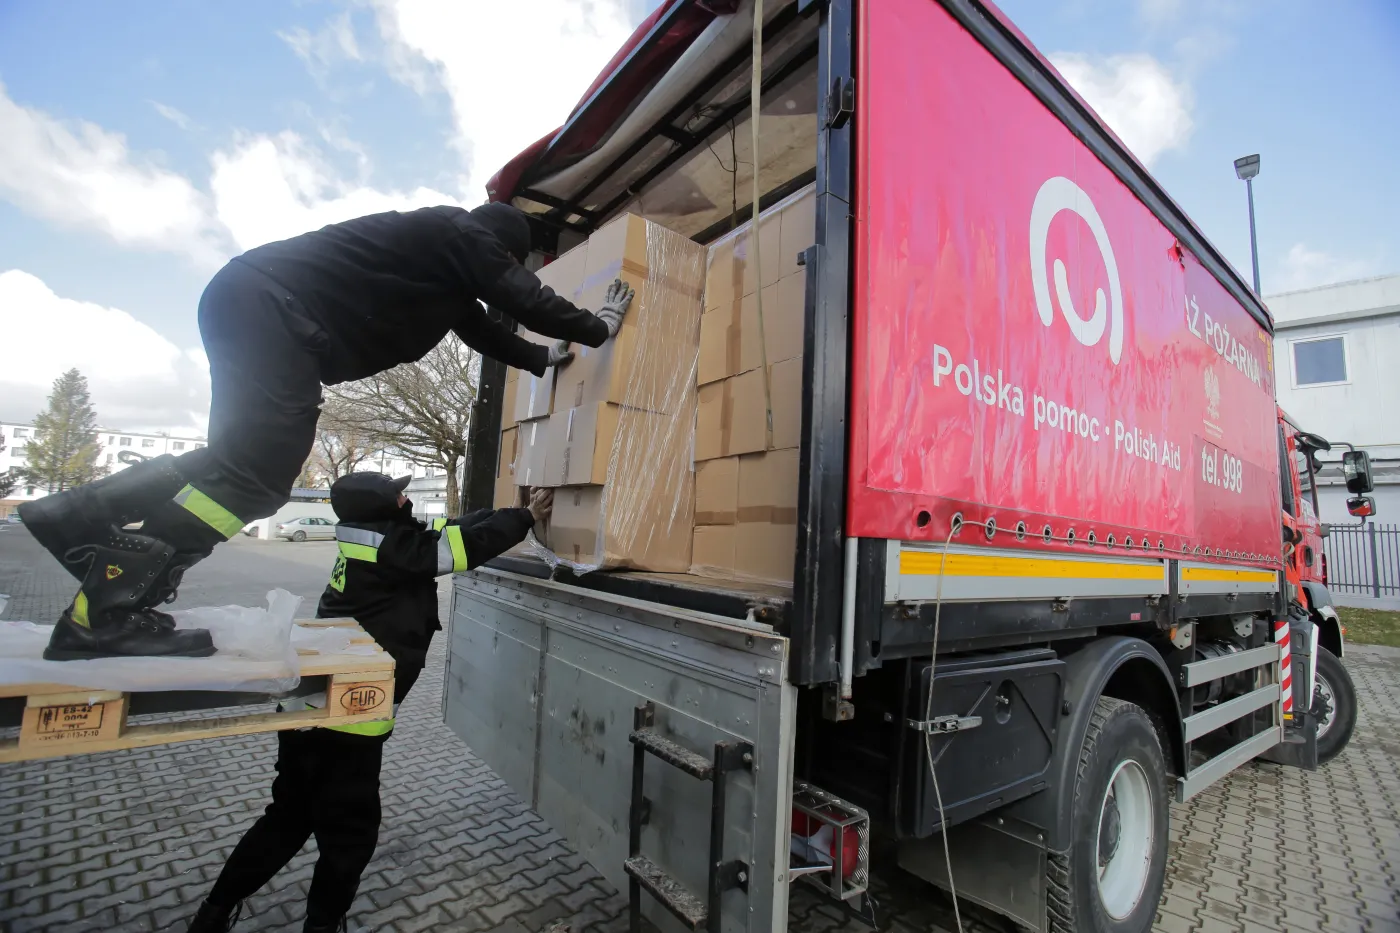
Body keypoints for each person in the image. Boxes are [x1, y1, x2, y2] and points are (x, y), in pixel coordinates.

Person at [17, 202, 630, 660]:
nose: (500, 266)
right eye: (504, 258)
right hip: (270, 310)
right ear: (498, 242)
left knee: (238, 465)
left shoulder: (443, 278)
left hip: (254, 305)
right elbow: (517, 293)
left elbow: (490, 333)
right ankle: (103, 591)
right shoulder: (458, 231)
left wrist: (545, 358)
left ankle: (90, 545)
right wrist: (595, 327)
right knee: (257, 475)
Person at [185, 471, 553, 933]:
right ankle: (321, 926)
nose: (405, 498)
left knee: (288, 818)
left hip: (310, 712)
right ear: (379, 505)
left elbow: (448, 530)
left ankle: (213, 913)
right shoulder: (385, 544)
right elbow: (449, 552)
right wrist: (523, 518)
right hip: (346, 718)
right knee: (350, 836)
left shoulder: (376, 537)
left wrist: (504, 513)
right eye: (396, 493)